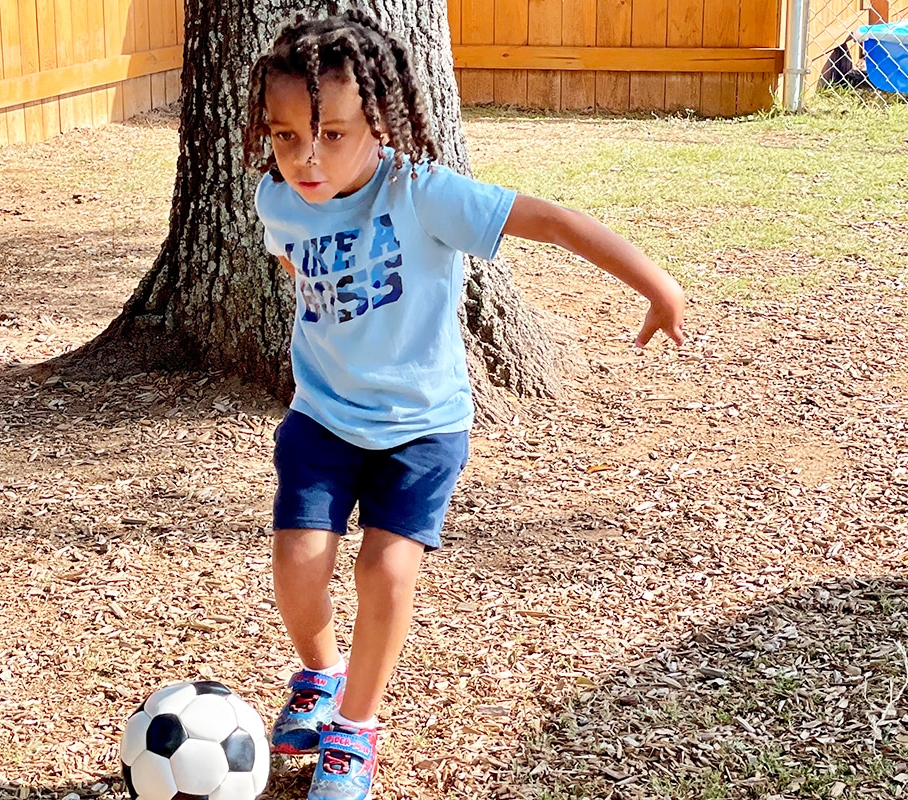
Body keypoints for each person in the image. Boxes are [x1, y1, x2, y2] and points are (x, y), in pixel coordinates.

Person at [244, 10, 685, 800]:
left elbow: (551, 221)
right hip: (322, 418)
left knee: (385, 568)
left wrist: (658, 284)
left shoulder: (422, 195)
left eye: (334, 135)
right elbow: (297, 267)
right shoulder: (276, 199)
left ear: (380, 123)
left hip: (422, 429)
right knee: (297, 564)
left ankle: (355, 732)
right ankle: (319, 674)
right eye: (286, 137)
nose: (306, 158)